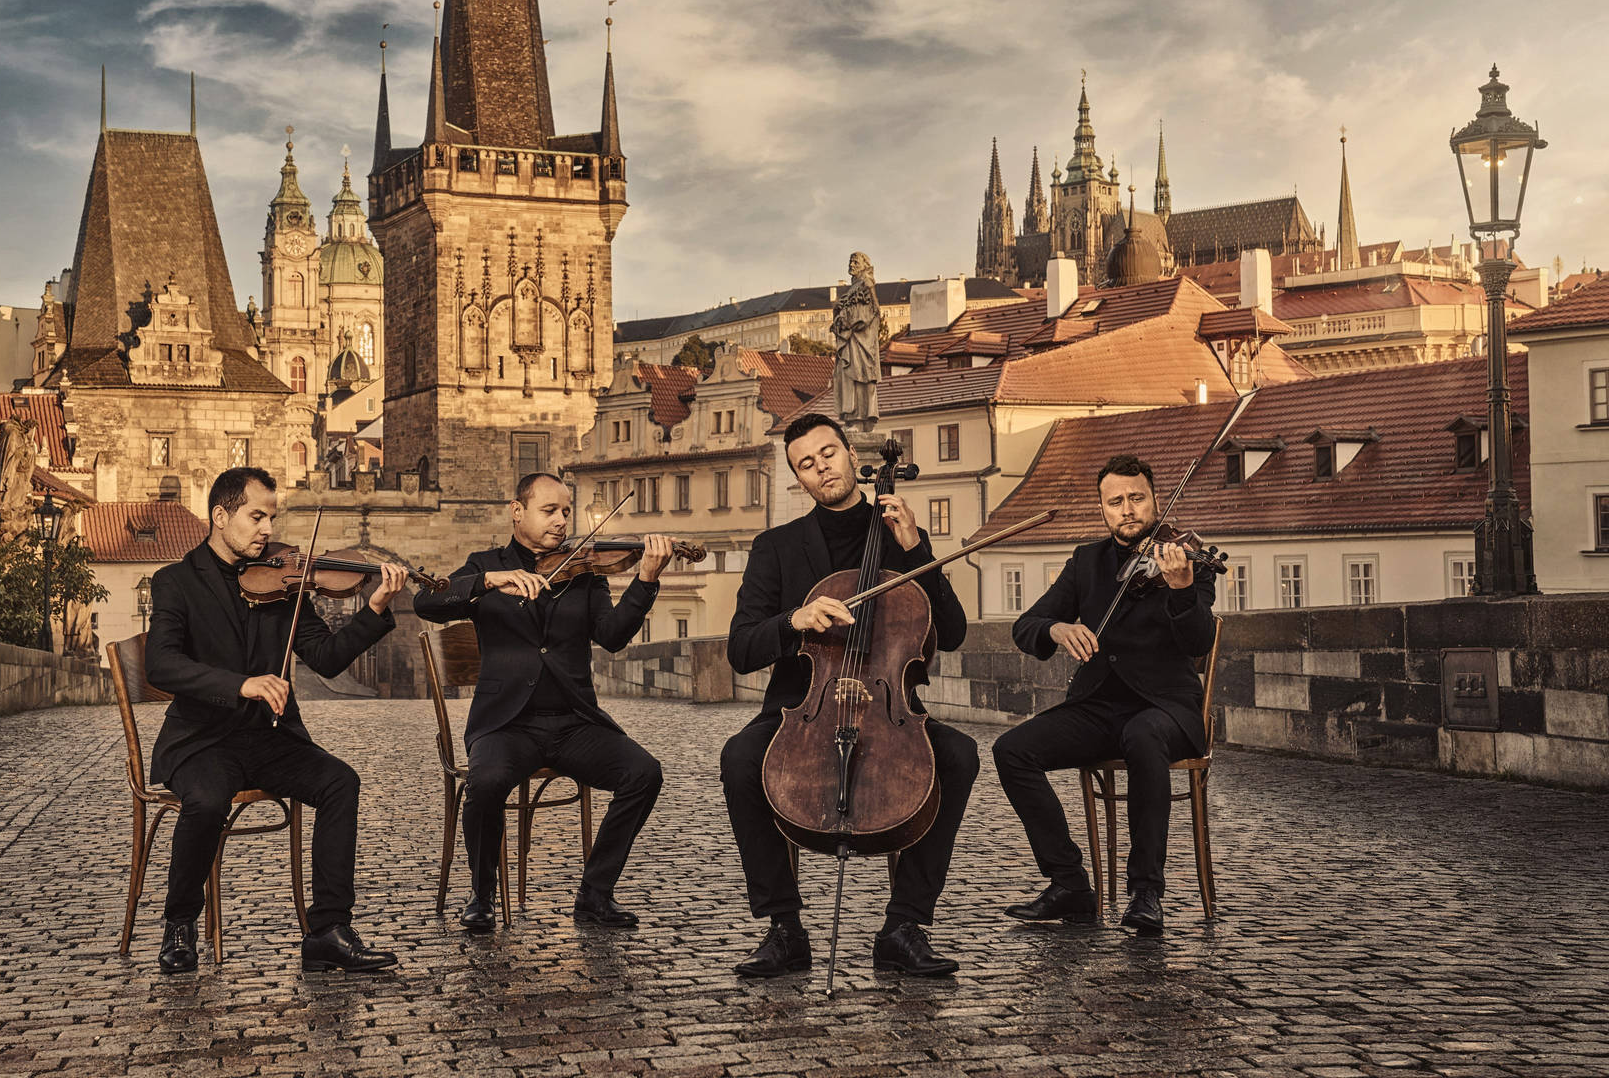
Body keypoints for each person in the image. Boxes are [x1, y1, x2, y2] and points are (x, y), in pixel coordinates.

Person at [721, 413, 979, 978]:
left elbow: (953, 632)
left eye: (828, 453)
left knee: (958, 755)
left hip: (890, 707)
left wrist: (913, 551)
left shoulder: (901, 534)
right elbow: (740, 648)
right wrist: (796, 619)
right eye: (805, 464)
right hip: (805, 709)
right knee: (740, 758)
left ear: (849, 455)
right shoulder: (777, 548)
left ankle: (904, 925)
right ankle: (784, 928)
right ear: (799, 478)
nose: (821, 468)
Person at [145, 466, 408, 974]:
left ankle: (328, 930)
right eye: (256, 516)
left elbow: (326, 658)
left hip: (268, 738)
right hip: (202, 741)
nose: (267, 529)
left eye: (272, 517)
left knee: (340, 782)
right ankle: (179, 924)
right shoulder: (175, 582)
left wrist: (373, 611)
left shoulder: (285, 582)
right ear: (221, 516)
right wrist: (239, 683)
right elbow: (161, 664)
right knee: (206, 798)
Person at [414, 472, 670, 933]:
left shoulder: (584, 572)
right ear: (518, 511)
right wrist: (488, 582)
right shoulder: (485, 564)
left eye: (566, 511)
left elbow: (612, 637)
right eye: (549, 510)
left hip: (574, 722)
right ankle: (482, 893)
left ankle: (595, 893)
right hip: (505, 725)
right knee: (486, 782)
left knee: (644, 773)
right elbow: (426, 603)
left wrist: (645, 580)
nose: (561, 520)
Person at [993, 453, 1215, 936]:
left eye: (1137, 498)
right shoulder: (1085, 562)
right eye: (1115, 501)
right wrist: (1056, 629)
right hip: (1097, 707)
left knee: (1142, 735)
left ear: (1155, 500)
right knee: (1011, 750)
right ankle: (1070, 883)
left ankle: (1146, 892)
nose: (1127, 509)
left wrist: (1180, 589)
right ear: (1102, 509)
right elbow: (1025, 625)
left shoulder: (1186, 559)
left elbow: (1198, 642)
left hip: (1165, 709)